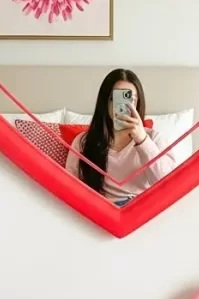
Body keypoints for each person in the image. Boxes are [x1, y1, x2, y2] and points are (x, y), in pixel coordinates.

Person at [65, 69, 176, 204]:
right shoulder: (84, 141)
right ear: (106, 102)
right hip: (102, 209)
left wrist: (142, 140)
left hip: (141, 208)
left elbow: (169, 185)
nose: (123, 105)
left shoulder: (154, 139)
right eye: (118, 98)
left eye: (130, 98)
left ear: (138, 102)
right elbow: (70, 188)